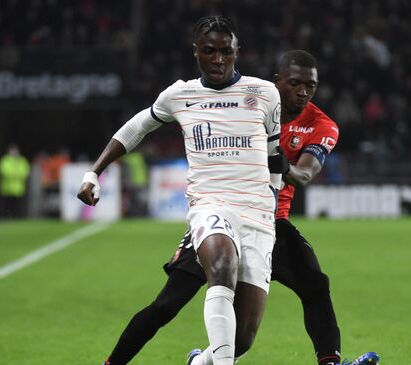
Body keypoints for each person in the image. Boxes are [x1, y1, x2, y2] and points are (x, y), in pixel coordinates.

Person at [97, 50, 379, 365]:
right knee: (167, 305)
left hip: (269, 223)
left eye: (310, 86)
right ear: (278, 83)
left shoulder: (321, 124)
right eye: (295, 83)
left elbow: (304, 174)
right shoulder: (249, 102)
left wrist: (279, 163)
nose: (302, 92)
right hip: (222, 214)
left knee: (309, 287)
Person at [77, 15, 283, 365]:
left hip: (257, 218)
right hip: (211, 208)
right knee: (219, 265)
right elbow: (135, 128)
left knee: (242, 336)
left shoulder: (264, 93)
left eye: (225, 52)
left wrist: (273, 204)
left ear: (237, 52)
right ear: (195, 52)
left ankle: (199, 362)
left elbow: (275, 156)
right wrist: (94, 172)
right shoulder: (180, 94)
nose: (218, 59)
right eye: (209, 51)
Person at [0, 144, 30, 218]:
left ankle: (17, 216)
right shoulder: (5, 160)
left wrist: (14, 175)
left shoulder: (22, 160)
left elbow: (26, 171)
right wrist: (17, 175)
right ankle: (7, 216)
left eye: (15, 150)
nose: (14, 152)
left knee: (18, 204)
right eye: (12, 150)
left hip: (19, 188)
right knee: (8, 204)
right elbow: (3, 171)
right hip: (7, 188)